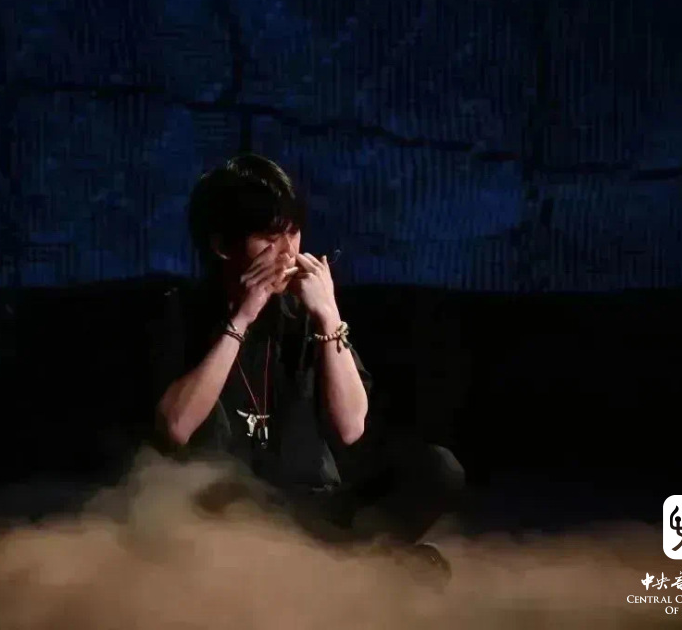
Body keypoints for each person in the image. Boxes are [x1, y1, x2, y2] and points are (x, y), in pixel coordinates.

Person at [149, 154, 465, 584]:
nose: (288, 253)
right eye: (269, 238)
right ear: (222, 246)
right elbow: (176, 427)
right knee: (227, 517)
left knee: (438, 469)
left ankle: (340, 569)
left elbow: (351, 427)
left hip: (311, 507)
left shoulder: (303, 318)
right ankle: (363, 570)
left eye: (294, 233)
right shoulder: (180, 313)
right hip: (227, 514)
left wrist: (329, 316)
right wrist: (242, 318)